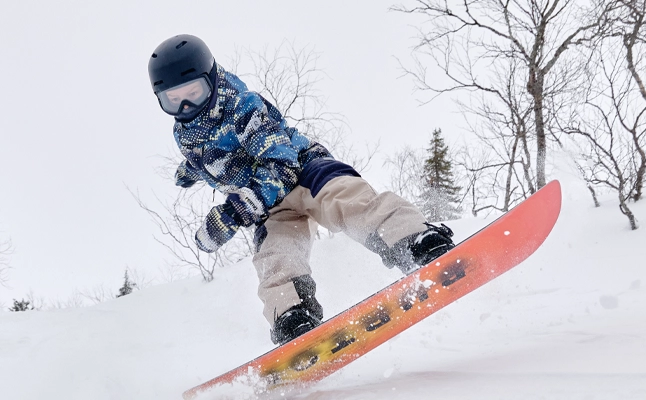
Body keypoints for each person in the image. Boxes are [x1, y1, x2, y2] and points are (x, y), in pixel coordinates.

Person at [147, 34, 456, 344]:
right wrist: (189, 172)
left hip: (301, 170)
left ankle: (413, 238)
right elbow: (209, 158)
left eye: (195, 93)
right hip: (269, 207)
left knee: (345, 201)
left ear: (212, 80)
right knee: (275, 256)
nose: (186, 106)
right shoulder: (188, 136)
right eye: (173, 100)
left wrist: (233, 212)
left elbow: (280, 165)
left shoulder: (243, 107)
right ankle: (292, 314)